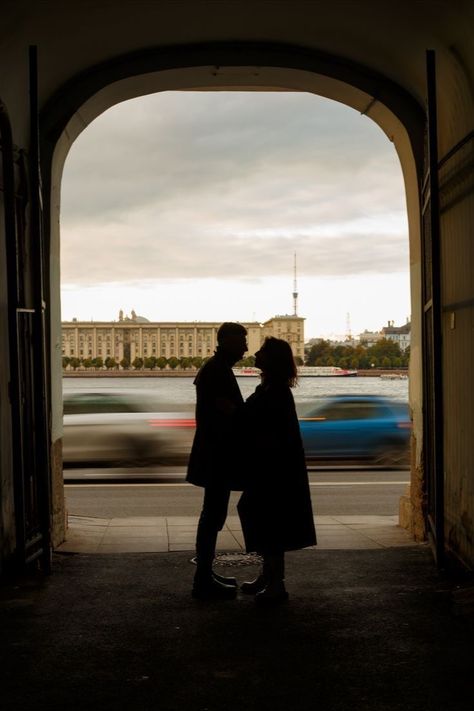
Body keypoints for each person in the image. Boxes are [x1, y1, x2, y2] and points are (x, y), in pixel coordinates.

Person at [237, 337, 317, 605]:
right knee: (263, 518)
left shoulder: (276, 392)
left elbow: (257, 423)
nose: (256, 353)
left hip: (273, 470)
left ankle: (276, 584)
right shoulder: (271, 387)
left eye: (262, 351)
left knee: (269, 522)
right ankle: (268, 576)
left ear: (271, 359)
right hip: (270, 467)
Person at [186, 322, 248, 600]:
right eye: (241, 342)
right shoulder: (217, 372)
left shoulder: (216, 368)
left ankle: (205, 574)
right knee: (212, 516)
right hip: (217, 456)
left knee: (212, 515)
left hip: (215, 453)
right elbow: (230, 413)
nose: (246, 348)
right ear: (227, 342)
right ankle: (202, 581)